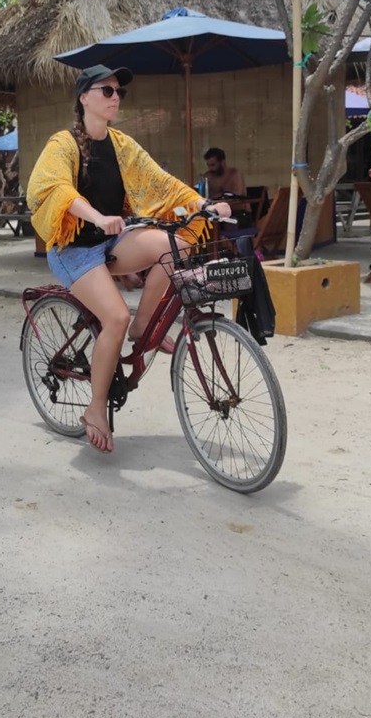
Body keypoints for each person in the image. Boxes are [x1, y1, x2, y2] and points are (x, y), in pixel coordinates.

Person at [28, 65, 232, 453]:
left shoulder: (121, 144)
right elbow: (55, 189)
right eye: (106, 91)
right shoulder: (63, 144)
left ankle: (142, 329)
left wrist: (203, 204)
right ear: (84, 98)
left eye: (118, 91)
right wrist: (97, 216)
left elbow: (163, 183)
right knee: (114, 317)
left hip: (111, 241)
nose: (115, 97)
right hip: (73, 248)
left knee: (175, 246)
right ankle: (95, 408)